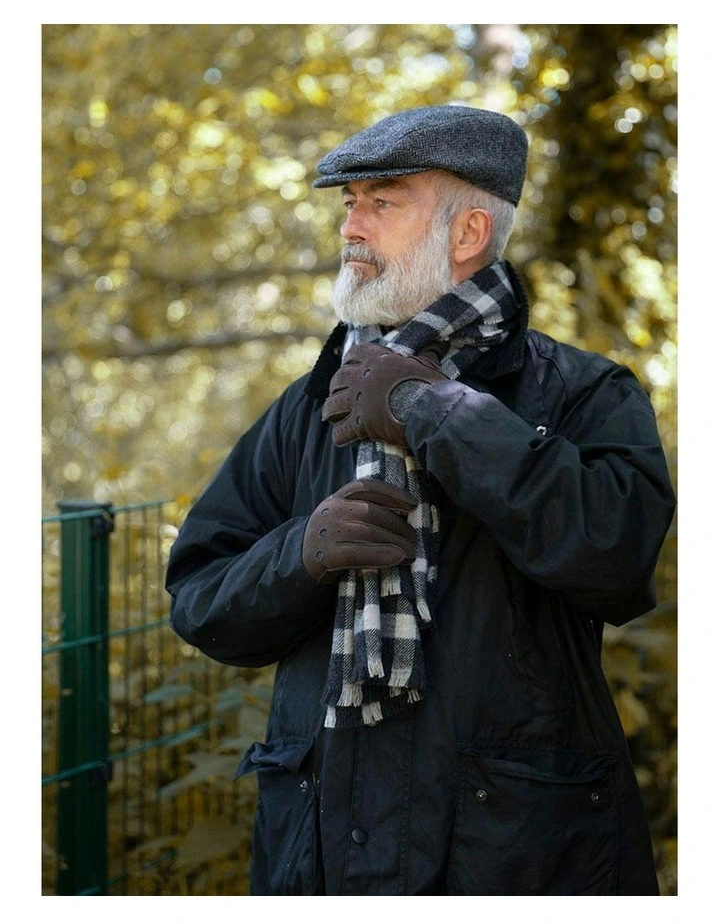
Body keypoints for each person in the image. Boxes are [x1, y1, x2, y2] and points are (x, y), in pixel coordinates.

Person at [165, 105, 676, 896]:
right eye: (348, 204)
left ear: (468, 233)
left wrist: (431, 410)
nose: (352, 228)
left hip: (516, 859)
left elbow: (615, 556)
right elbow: (198, 597)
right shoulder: (310, 404)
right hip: (318, 859)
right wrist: (301, 553)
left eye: (383, 201)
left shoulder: (583, 392)